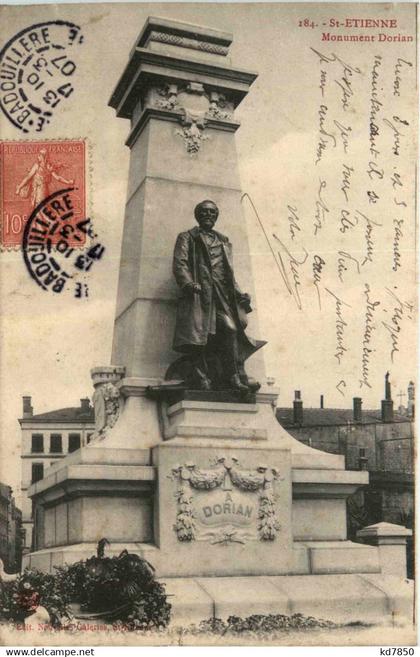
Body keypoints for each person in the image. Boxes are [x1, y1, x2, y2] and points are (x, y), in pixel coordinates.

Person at [172, 199, 265, 391]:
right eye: (204, 212)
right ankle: (201, 375)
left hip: (222, 295)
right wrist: (188, 283)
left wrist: (240, 294)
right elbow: (180, 263)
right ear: (197, 215)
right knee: (201, 335)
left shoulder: (223, 241)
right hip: (200, 294)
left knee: (230, 329)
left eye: (213, 212)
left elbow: (228, 273)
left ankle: (233, 376)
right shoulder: (188, 237)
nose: (208, 215)